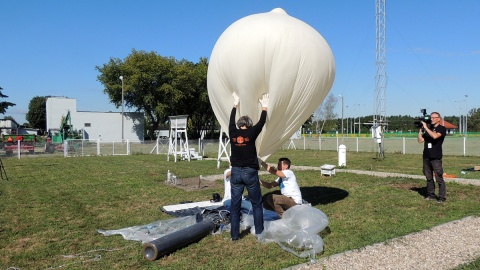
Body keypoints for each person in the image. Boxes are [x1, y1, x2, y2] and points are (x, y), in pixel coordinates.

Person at [229, 92, 268, 241]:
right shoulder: (252, 132)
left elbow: (231, 120)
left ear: (239, 125)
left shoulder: (233, 132)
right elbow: (262, 122)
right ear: (249, 125)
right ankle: (259, 233)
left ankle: (234, 235)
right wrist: (264, 106)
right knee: (257, 204)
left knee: (235, 205)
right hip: (250, 172)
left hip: (236, 172)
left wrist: (235, 104)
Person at [417, 112, 447, 203]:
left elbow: (435, 136)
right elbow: (420, 140)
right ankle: (431, 195)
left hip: (435, 157)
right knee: (428, 177)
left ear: (439, 119)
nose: (432, 119)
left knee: (439, 178)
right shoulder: (428, 128)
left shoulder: (442, 128)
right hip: (426, 156)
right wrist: (420, 130)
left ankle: (442, 197)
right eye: (431, 117)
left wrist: (426, 127)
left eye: (434, 117)